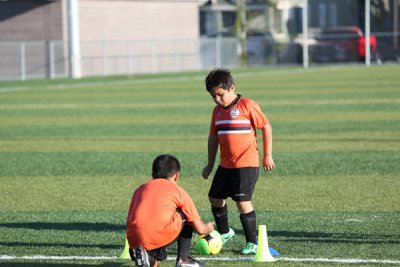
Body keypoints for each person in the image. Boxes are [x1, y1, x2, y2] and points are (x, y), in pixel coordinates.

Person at [201, 68, 275, 255]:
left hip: (247, 164)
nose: (217, 99)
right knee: (215, 197)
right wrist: (210, 163)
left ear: (231, 87)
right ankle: (225, 232)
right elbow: (213, 138)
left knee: (242, 202)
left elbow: (266, 127)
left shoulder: (247, 105)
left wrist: (267, 155)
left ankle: (252, 242)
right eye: (213, 97)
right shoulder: (217, 112)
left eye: (220, 95)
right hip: (225, 165)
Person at [126, 154, 214, 267]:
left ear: (153, 175)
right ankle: (183, 260)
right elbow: (200, 229)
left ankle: (147, 258)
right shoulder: (178, 191)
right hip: (157, 236)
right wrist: (209, 228)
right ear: (177, 175)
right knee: (185, 214)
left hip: (134, 242)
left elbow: (130, 219)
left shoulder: (140, 189)